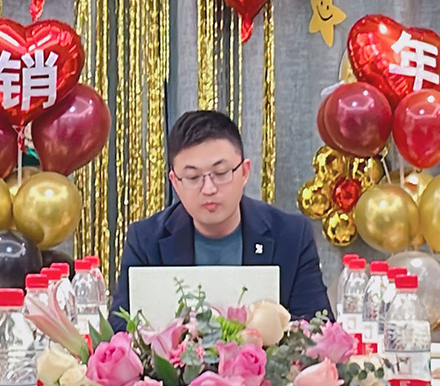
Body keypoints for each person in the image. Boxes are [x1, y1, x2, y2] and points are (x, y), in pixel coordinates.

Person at [109, 110, 332, 331]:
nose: (209, 188)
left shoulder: (291, 236)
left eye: (221, 172)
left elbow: (318, 330)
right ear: (175, 182)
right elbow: (120, 331)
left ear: (244, 172)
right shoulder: (146, 240)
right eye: (193, 177)